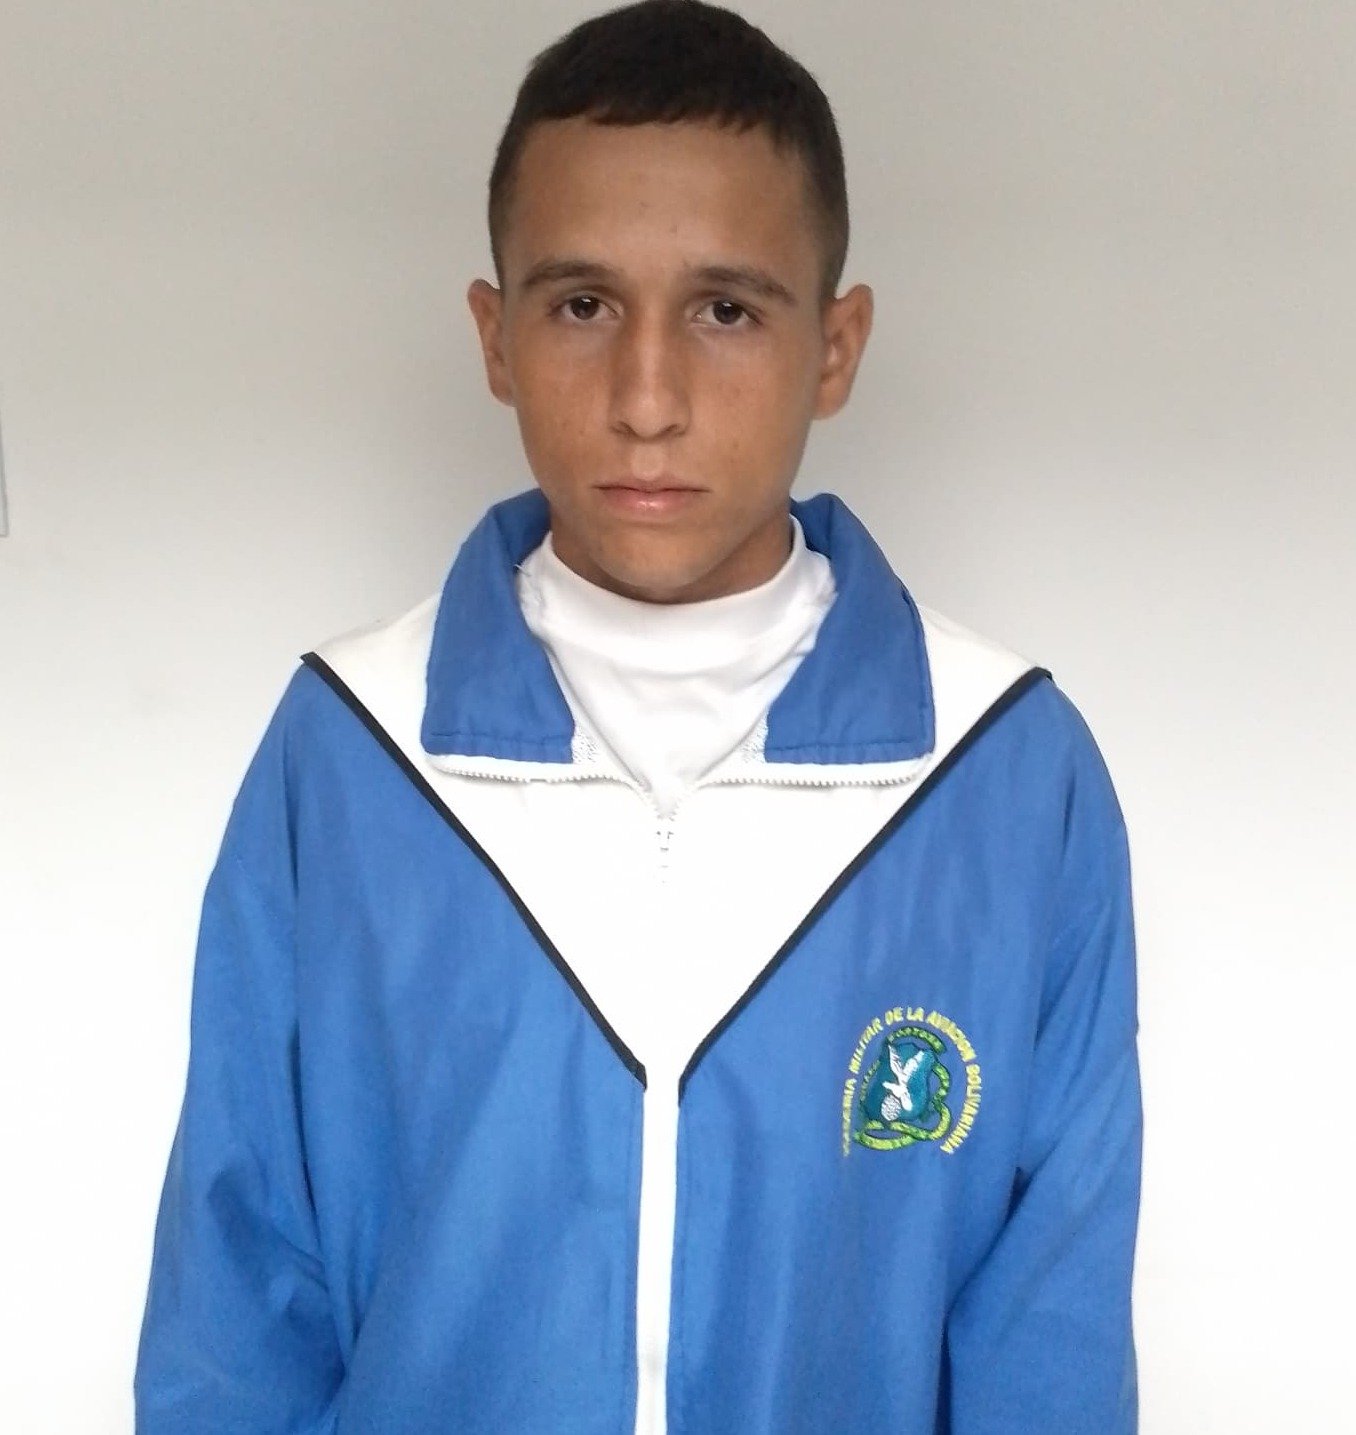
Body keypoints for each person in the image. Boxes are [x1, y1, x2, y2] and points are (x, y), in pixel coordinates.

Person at [133, 2, 1143, 1432]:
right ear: (494, 335)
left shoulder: (1007, 771)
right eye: (582, 306)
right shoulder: (350, 750)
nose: (648, 399)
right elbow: (234, 1311)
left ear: (836, 346)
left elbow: (1051, 1336)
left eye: (726, 310)